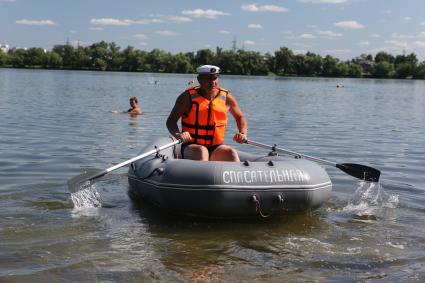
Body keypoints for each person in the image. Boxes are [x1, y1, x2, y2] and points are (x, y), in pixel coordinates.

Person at [166, 65, 248, 162]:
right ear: (199, 79)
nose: (213, 82)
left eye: (215, 78)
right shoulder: (186, 97)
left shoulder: (227, 97)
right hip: (191, 146)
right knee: (202, 151)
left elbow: (240, 117)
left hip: (216, 147)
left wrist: (242, 133)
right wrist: (179, 134)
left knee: (231, 153)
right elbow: (171, 121)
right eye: (208, 79)